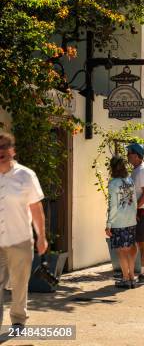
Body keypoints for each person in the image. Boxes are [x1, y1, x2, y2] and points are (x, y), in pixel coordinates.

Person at [0, 132, 48, 328]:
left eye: (4, 147)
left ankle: (18, 319)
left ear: (13, 150)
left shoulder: (26, 175)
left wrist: (41, 237)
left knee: (19, 284)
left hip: (19, 239)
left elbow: (36, 208)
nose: (0, 151)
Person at [106, 156, 138, 288]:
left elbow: (113, 206)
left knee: (121, 251)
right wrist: (134, 215)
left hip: (119, 222)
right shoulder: (129, 180)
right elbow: (135, 200)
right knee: (129, 250)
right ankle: (131, 278)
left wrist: (108, 224)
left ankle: (125, 278)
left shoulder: (113, 184)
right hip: (131, 220)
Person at [126, 143, 144, 284]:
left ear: (136, 155)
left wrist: (135, 210)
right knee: (133, 242)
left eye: (129, 153)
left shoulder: (142, 171)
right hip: (135, 212)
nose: (127, 156)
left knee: (142, 242)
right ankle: (132, 272)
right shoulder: (136, 170)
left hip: (141, 212)